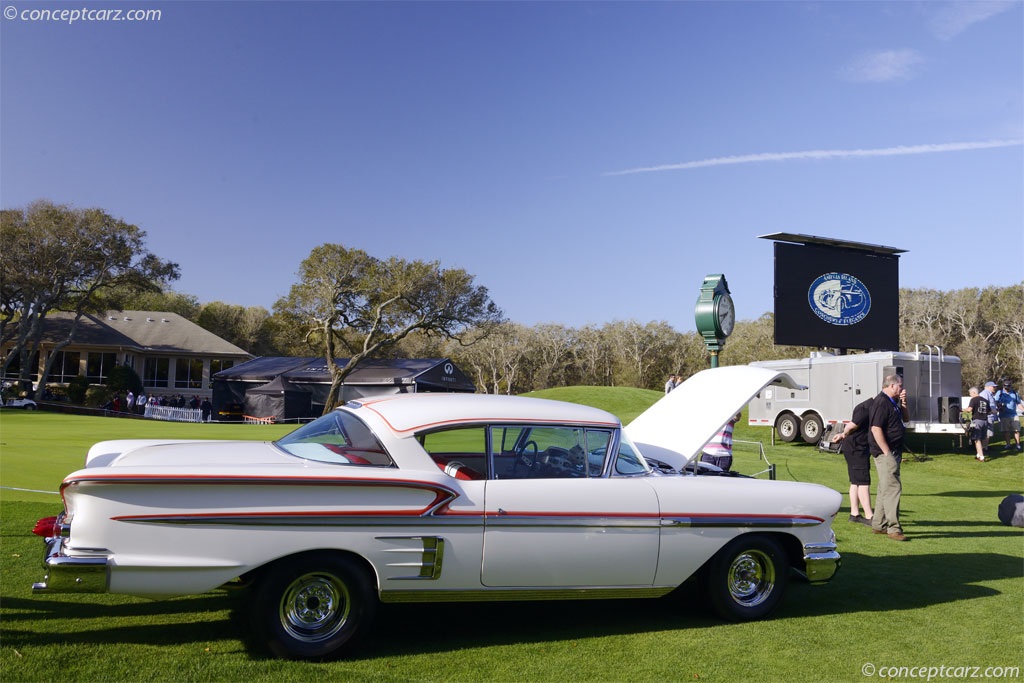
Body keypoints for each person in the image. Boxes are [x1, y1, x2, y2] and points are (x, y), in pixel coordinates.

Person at [868, 373, 909, 541]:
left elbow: (906, 419)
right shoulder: (881, 402)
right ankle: (894, 528)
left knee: (884, 488)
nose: (902, 389)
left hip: (894, 451)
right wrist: (886, 452)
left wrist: (904, 403)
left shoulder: (893, 402)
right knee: (893, 488)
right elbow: (875, 429)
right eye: (900, 386)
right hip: (886, 452)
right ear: (892, 386)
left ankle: (879, 525)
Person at [831, 398, 874, 526]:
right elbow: (852, 425)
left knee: (856, 481)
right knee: (863, 482)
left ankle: (854, 514)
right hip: (856, 448)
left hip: (856, 447)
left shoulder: (870, 406)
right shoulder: (866, 408)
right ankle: (869, 516)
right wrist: (843, 434)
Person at [965, 385, 992, 462]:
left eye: (970, 393)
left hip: (977, 421)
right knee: (983, 438)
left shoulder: (974, 400)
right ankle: (978, 454)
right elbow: (989, 411)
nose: (970, 395)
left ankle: (981, 456)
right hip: (985, 421)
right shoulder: (985, 400)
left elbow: (969, 409)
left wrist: (962, 410)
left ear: (974, 392)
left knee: (977, 439)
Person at [995, 380, 1023, 453]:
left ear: (1010, 386)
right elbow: (996, 401)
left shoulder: (1014, 393)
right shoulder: (1000, 392)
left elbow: (1018, 403)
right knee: (1006, 431)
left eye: (1008, 386)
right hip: (1003, 415)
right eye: (1005, 386)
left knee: (1016, 430)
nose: (1006, 388)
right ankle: (1008, 444)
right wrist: (999, 406)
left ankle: (1018, 444)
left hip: (1013, 414)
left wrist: (1023, 410)